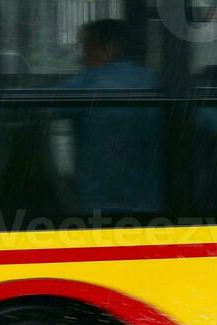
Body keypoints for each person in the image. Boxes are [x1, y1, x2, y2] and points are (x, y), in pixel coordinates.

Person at [58, 19, 163, 215]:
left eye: (86, 48)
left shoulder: (88, 83)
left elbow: (32, 107)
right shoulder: (153, 80)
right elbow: (207, 118)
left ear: (106, 48)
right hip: (149, 204)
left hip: (98, 204)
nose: (81, 59)